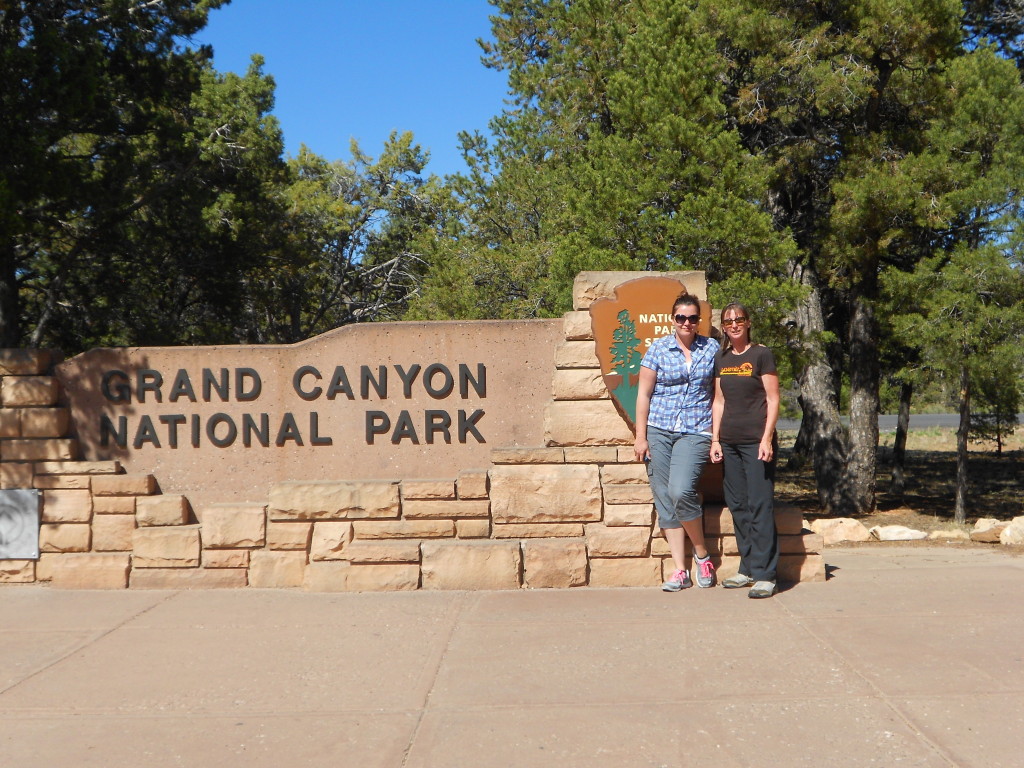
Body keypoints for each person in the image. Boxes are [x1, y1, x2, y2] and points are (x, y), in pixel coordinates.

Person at [634, 292, 719, 591]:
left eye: (692, 318)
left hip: (695, 430)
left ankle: (702, 554)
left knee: (681, 490)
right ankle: (679, 570)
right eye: (681, 317)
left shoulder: (711, 349)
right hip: (659, 428)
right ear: (673, 319)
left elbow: (719, 394)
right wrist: (640, 436)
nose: (687, 322)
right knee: (665, 498)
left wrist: (717, 437)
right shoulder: (657, 349)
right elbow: (643, 394)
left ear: (699, 321)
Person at [709, 302, 781, 598]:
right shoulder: (721, 358)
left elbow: (773, 399)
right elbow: (718, 401)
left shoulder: (761, 354)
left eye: (739, 319)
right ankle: (747, 568)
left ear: (748, 323)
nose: (734, 324)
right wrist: (715, 439)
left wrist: (766, 439)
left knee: (759, 504)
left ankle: (766, 574)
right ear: (724, 327)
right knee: (738, 505)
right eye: (728, 321)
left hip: (756, 442)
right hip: (730, 443)